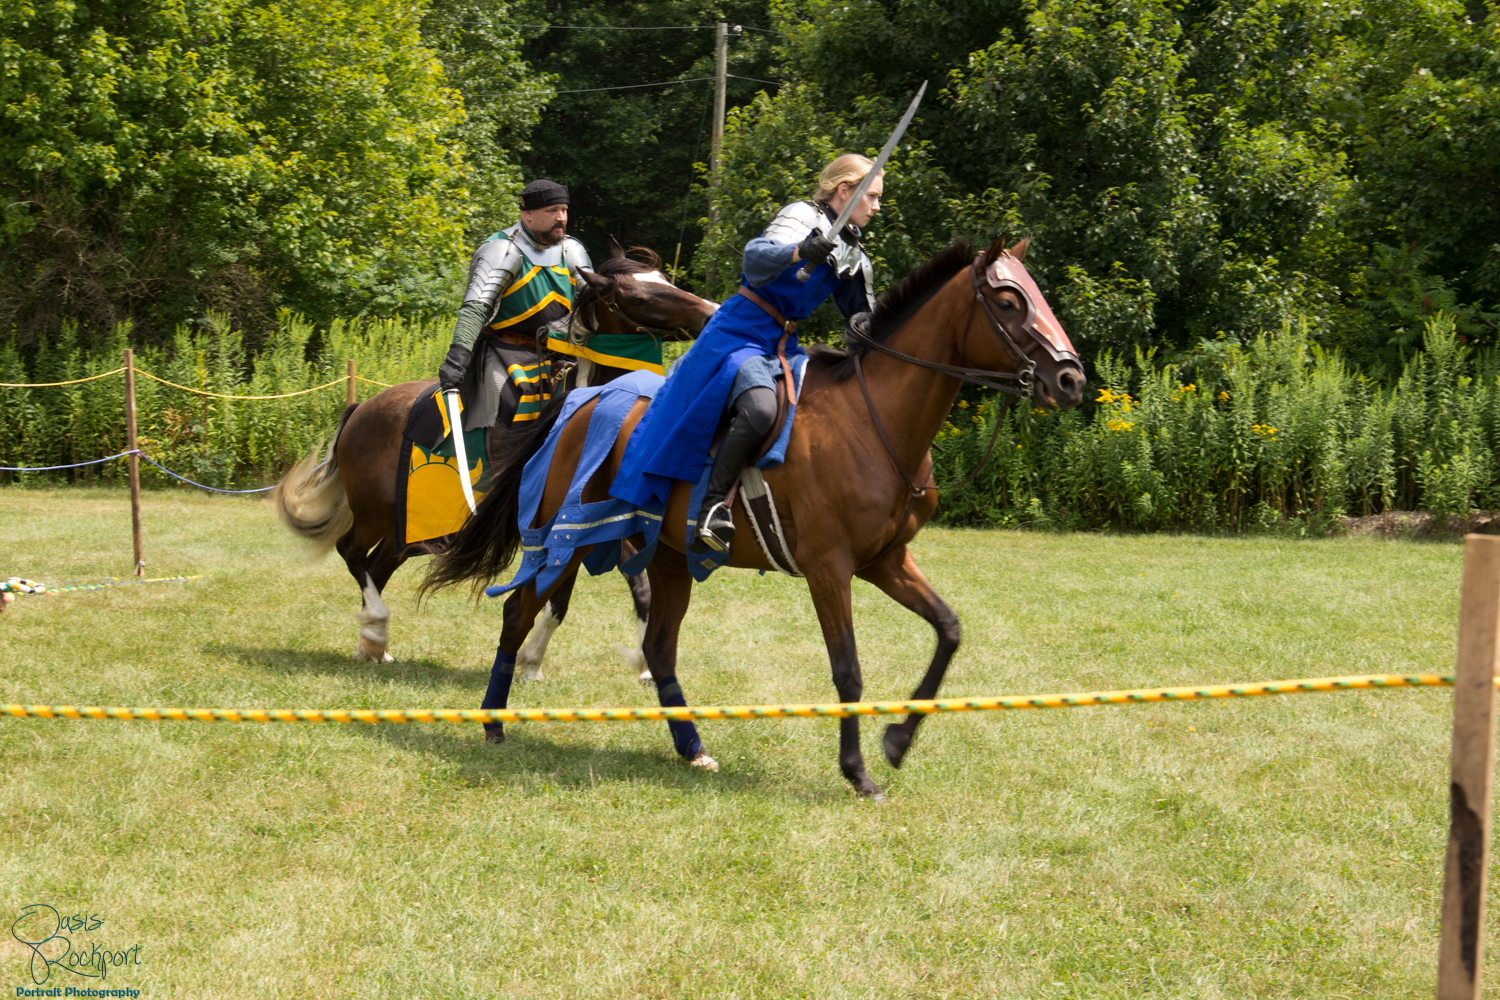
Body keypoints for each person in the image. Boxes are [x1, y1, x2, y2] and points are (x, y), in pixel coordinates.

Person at [611, 153, 881, 553]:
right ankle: (712, 508)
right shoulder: (801, 216)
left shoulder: (853, 253)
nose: (876, 207)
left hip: (784, 346)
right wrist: (801, 251)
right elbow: (755, 261)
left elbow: (862, 318)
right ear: (845, 191)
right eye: (871, 196)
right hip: (739, 333)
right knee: (761, 409)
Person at [437, 179, 593, 428]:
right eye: (552, 211)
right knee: (507, 405)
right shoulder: (503, 249)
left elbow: (593, 303)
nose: (561, 218)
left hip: (562, 352)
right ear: (527, 214)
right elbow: (475, 308)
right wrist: (458, 358)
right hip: (506, 350)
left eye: (564, 210)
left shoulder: (571, 249)